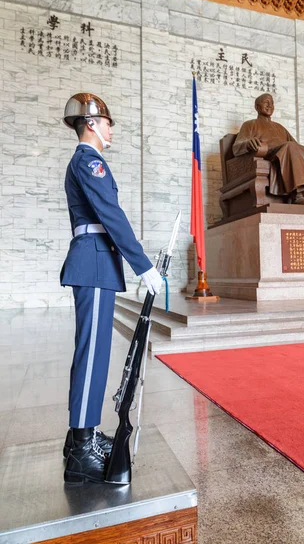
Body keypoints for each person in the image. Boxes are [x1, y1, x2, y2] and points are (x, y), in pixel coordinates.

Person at [60, 93, 163, 484]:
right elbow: (111, 215)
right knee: (92, 356)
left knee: (96, 354)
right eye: (106, 121)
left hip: (98, 262)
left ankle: (80, 438)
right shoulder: (89, 161)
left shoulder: (89, 162)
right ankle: (82, 451)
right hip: (95, 262)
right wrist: (143, 264)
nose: (110, 128)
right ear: (91, 125)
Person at [233, 93, 304, 206]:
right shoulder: (249, 124)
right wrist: (248, 143)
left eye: (272, 103)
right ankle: (297, 194)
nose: (270, 106)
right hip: (270, 153)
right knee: (290, 146)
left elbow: (298, 148)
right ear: (257, 107)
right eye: (266, 103)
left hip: (287, 151)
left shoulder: (280, 127)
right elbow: (236, 147)